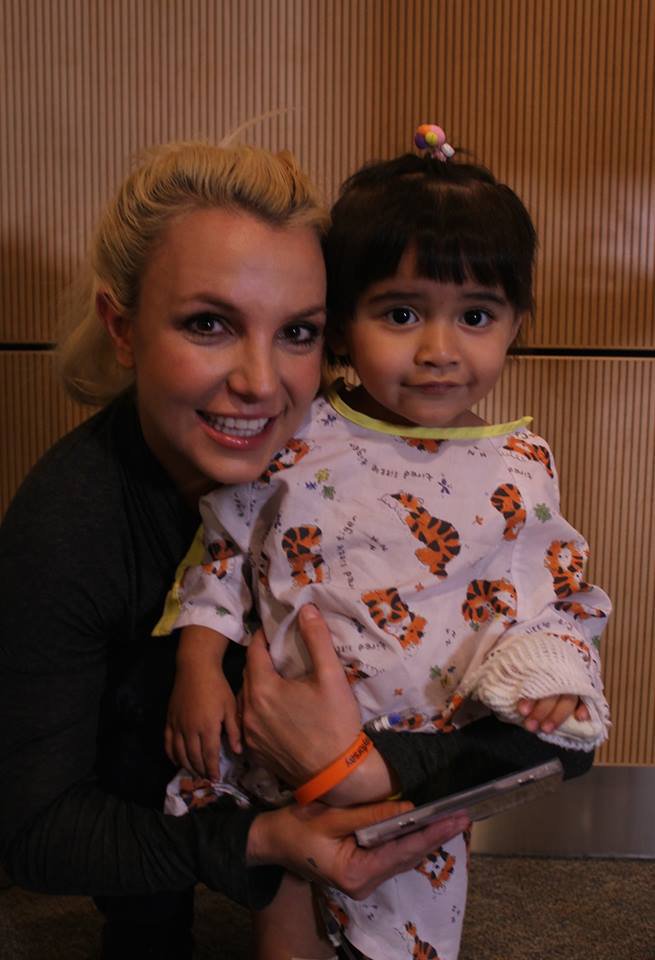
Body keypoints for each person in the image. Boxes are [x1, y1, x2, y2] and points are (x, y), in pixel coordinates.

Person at [0, 140, 474, 960]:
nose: (261, 382)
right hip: (155, 825)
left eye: (297, 332)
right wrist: (264, 843)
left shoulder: (381, 473)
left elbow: (552, 743)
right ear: (123, 328)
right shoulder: (67, 529)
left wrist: (373, 765)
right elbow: (33, 833)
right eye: (209, 324)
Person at [158, 126, 611, 960]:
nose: (439, 351)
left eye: (475, 316)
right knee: (285, 921)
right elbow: (221, 548)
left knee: (404, 938)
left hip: (416, 772)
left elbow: (551, 597)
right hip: (279, 750)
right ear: (339, 325)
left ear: (516, 324)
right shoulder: (299, 432)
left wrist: (550, 673)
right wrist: (195, 664)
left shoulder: (521, 465)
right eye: (400, 313)